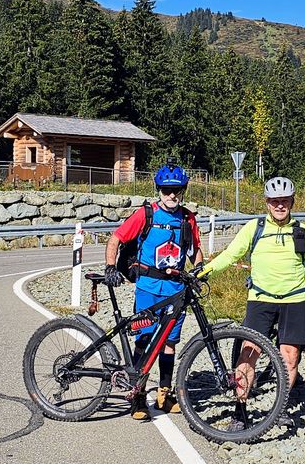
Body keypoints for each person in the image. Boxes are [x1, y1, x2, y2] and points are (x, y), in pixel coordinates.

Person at [198, 176, 305, 428]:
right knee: (249, 353)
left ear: (292, 202)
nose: (280, 205)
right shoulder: (255, 227)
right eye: (275, 201)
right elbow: (231, 255)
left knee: (290, 357)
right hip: (261, 299)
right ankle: (239, 411)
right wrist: (204, 272)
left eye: (284, 200)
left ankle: (280, 408)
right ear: (266, 202)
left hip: (295, 299)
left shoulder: (303, 231)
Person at [103, 161, 203, 420]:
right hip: (147, 288)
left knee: (169, 343)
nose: (172, 195)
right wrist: (110, 266)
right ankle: (137, 396)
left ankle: (164, 395)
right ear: (159, 190)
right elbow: (116, 238)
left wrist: (199, 271)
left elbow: (195, 252)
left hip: (176, 290)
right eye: (166, 190)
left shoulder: (188, 218)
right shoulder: (146, 214)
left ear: (183, 190)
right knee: (144, 340)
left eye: (176, 190)